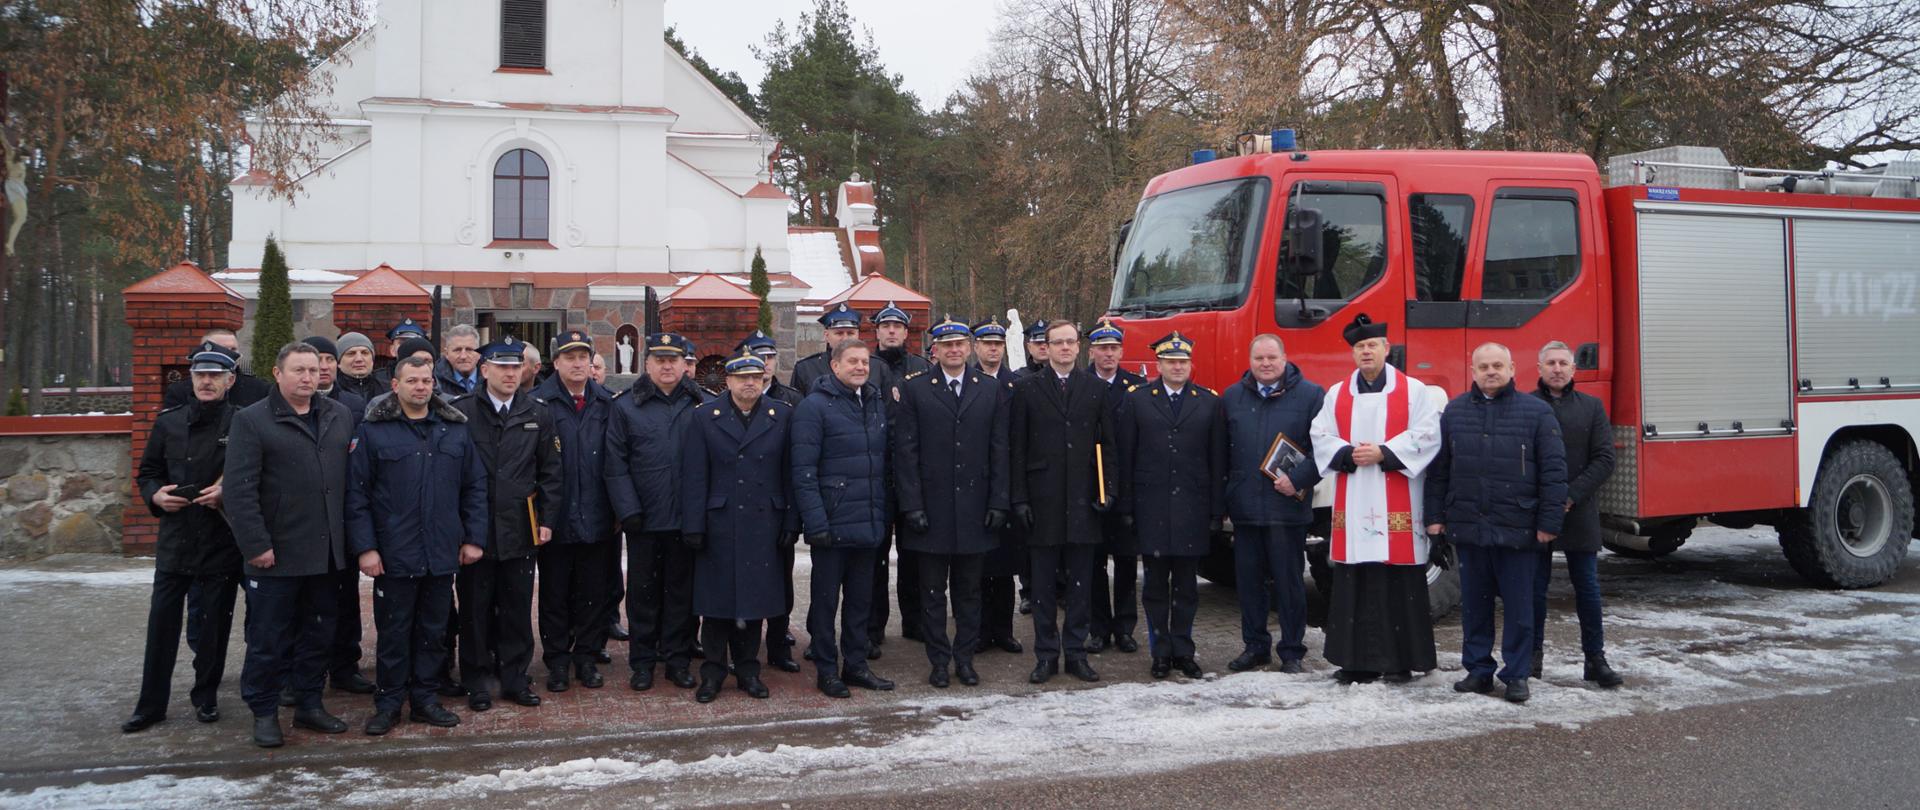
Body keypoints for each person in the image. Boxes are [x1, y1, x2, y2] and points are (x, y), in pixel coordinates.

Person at [345, 355, 490, 734]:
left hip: (441, 552)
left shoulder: (454, 430)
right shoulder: (374, 431)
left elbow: (474, 487)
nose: (421, 387)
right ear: (396, 386)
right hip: (394, 554)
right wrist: (366, 548)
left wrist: (474, 538)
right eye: (412, 381)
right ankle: (389, 701)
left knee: (433, 632)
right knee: (394, 633)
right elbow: (356, 495)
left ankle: (426, 699)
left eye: (426, 380)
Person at [223, 341, 355, 748]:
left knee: (318, 634)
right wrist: (256, 545)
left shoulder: (339, 415)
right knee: (268, 639)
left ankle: (309, 703)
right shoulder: (252, 420)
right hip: (275, 554)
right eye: (298, 370)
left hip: (327, 551)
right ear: (278, 374)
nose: (307, 378)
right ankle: (264, 712)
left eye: (313, 371)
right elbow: (239, 491)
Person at [1425, 343, 1569, 704]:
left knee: (1520, 608)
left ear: (1512, 368)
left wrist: (1548, 522)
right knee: (1475, 605)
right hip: (1470, 528)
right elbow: (1439, 472)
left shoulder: (1536, 413)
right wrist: (1435, 520)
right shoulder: (1454, 413)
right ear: (1472, 371)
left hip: (1519, 528)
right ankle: (1478, 670)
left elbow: (1554, 473)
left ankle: (1517, 674)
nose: (1491, 371)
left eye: (1498, 365)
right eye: (1484, 366)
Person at [1309, 314, 1444, 686]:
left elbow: (1429, 435)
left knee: (1396, 581)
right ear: (1352, 353)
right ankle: (1355, 661)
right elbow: (1320, 435)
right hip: (1353, 502)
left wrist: (1385, 452)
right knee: (1355, 581)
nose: (1366, 351)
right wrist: (1349, 454)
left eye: (1372, 345)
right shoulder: (1337, 394)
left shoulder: (1414, 391)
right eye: (1359, 347)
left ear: (1386, 349)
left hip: (1396, 496)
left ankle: (1400, 660)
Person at [123, 343, 245, 733]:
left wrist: (227, 492)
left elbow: (252, 474)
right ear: (191, 379)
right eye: (200, 375)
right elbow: (148, 472)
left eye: (215, 376)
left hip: (219, 538)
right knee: (161, 626)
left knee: (213, 627)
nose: (207, 382)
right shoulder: (169, 422)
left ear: (230, 380)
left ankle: (206, 696)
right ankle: (150, 704)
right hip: (176, 540)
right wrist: (155, 496)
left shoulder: (242, 422)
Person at [893, 317, 1010, 688]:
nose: (955, 350)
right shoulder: (916, 390)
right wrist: (911, 505)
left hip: (976, 509)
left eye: (960, 344)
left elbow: (999, 450)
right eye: (947, 345)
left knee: (969, 593)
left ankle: (965, 658)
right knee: (931, 594)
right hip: (931, 510)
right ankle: (939, 661)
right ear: (936, 350)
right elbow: (906, 452)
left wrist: (999, 501)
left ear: (969, 347)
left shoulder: (989, 389)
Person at [449, 337, 563, 711]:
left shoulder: (537, 412)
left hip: (520, 527)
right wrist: (462, 530)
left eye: (516, 367)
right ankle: (477, 681)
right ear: (485, 371)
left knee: (516, 610)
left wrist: (546, 519)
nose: (510, 374)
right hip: (476, 530)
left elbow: (550, 472)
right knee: (475, 610)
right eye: (502, 367)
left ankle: (515, 678)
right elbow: (453, 477)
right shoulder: (462, 411)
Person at [679, 350, 799, 702]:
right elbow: (694, 475)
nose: (750, 383)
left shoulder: (782, 416)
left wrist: (791, 519)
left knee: (754, 601)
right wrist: (693, 524)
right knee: (716, 605)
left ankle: (748, 670)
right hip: (720, 522)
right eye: (741, 378)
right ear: (727, 382)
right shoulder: (704, 417)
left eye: (756, 377)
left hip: (765, 521)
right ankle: (713, 673)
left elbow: (790, 473)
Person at [1114, 332, 1225, 679]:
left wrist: (1215, 510)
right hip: (1152, 508)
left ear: (1190, 365)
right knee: (1155, 587)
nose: (1177, 367)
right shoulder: (1138, 400)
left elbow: (1218, 460)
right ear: (1159, 365)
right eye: (1170, 361)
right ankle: (1160, 652)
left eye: (1183, 361)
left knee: (1188, 589)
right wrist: (1127, 507)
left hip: (1192, 507)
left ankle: (1184, 650)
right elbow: (1126, 457)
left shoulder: (1208, 402)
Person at [1009, 320, 1114, 685]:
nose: (1066, 348)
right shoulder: (1026, 389)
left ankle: (1076, 653)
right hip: (1043, 501)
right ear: (1046, 347)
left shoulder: (1096, 389)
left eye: (1071, 342)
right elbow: (1017, 449)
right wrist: (1019, 497)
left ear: (1078, 347)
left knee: (1081, 584)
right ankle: (1046, 655)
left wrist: (1107, 491)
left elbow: (1108, 446)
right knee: (1042, 588)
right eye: (1058, 342)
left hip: (1084, 502)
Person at [791, 339, 897, 698]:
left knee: (860, 602)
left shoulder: (874, 402)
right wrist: (816, 522)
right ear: (834, 366)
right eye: (852, 361)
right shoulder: (813, 408)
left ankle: (855, 665)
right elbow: (803, 472)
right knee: (825, 603)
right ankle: (826, 669)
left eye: (865, 362)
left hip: (867, 523)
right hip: (832, 525)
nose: (860, 368)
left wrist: (881, 515)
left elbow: (881, 467)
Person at [606, 332, 704, 692]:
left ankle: (677, 661)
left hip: (685, 520)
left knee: (682, 595)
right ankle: (643, 663)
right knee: (643, 596)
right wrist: (628, 509)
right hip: (644, 520)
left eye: (674, 360)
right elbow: (615, 465)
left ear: (684, 364)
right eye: (659, 360)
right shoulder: (625, 406)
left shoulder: (701, 405)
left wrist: (700, 514)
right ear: (646, 365)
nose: (667, 366)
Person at [1222, 335, 1324, 674]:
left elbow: (1323, 449)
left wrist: (1299, 479)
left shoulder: (1311, 396)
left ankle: (1292, 651)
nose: (1266, 364)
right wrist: (1225, 497)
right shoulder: (1233, 397)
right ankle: (1255, 647)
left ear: (1285, 358)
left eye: (1272, 357)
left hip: (1287, 509)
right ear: (1250, 360)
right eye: (1259, 358)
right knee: (1249, 585)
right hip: (1246, 508)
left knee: (1289, 584)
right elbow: (1222, 451)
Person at [530, 331, 618, 692]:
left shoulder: (608, 403)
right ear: (556, 363)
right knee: (555, 595)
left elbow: (615, 461)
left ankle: (586, 657)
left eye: (584, 356)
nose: (578, 363)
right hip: (556, 518)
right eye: (570, 357)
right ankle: (557, 661)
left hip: (597, 517)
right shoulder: (537, 402)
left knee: (593, 594)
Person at [1529, 341, 1622, 687]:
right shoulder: (1526, 406)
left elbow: (1605, 459)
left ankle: (1595, 660)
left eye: (1563, 363)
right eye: (1550, 362)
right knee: (1534, 589)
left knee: (1587, 588)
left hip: (1579, 510)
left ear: (1573, 369)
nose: (1556, 368)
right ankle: (1531, 660)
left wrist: (1569, 495)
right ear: (1539, 368)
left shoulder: (1592, 407)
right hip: (1537, 512)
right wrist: (1546, 499)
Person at [292, 335, 376, 701]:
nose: (323, 366)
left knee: (344, 599)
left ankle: (345, 665)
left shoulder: (353, 405)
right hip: (303, 522)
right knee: (304, 604)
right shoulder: (284, 406)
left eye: (327, 359)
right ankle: (299, 674)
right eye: (317, 360)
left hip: (343, 516)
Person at [737, 329, 803, 671]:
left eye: (769, 358)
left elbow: (795, 464)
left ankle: (779, 646)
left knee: (780, 582)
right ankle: (742, 649)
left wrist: (793, 516)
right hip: (739, 510)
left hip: (775, 510)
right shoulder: (727, 404)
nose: (763, 365)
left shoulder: (791, 402)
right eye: (756, 359)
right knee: (741, 582)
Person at [869, 301, 930, 646]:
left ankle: (915, 621)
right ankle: (874, 628)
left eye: (898, 326)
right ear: (876, 332)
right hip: (877, 475)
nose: (892, 331)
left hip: (913, 477)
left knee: (914, 556)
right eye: (885, 326)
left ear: (907, 332)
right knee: (875, 558)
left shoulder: (921, 368)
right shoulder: (867, 367)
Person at [1084, 317, 1147, 654]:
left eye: (1114, 348)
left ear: (1121, 351)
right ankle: (1098, 628)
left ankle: (1124, 628)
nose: (1108, 354)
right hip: (1090, 488)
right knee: (1093, 564)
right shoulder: (1080, 383)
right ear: (1091, 351)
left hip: (1124, 488)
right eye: (1102, 348)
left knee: (1124, 563)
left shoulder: (1136, 387)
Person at [969, 317, 1024, 654]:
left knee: (1004, 567)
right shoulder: (968, 381)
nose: (993, 348)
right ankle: (977, 630)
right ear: (976, 346)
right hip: (974, 487)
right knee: (975, 569)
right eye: (987, 343)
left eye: (998, 343)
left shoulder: (1017, 385)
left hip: (1008, 486)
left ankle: (1003, 630)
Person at [161, 328, 270, 409]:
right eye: (222, 349)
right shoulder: (180, 392)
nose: (229, 354)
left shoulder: (260, 389)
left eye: (233, 349)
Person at [791, 303, 862, 396]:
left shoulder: (876, 367)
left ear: (858, 335)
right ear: (826, 335)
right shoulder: (806, 369)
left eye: (850, 333)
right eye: (839, 333)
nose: (845, 338)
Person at [334, 332, 383, 403]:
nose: (359, 359)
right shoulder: (332, 393)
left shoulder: (387, 390)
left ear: (372, 360)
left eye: (365, 353)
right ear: (338, 362)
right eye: (351, 353)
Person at [435, 325, 483, 396]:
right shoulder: (435, 382)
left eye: (469, 349)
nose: (463, 356)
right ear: (447, 353)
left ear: (479, 353)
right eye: (457, 350)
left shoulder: (492, 379)